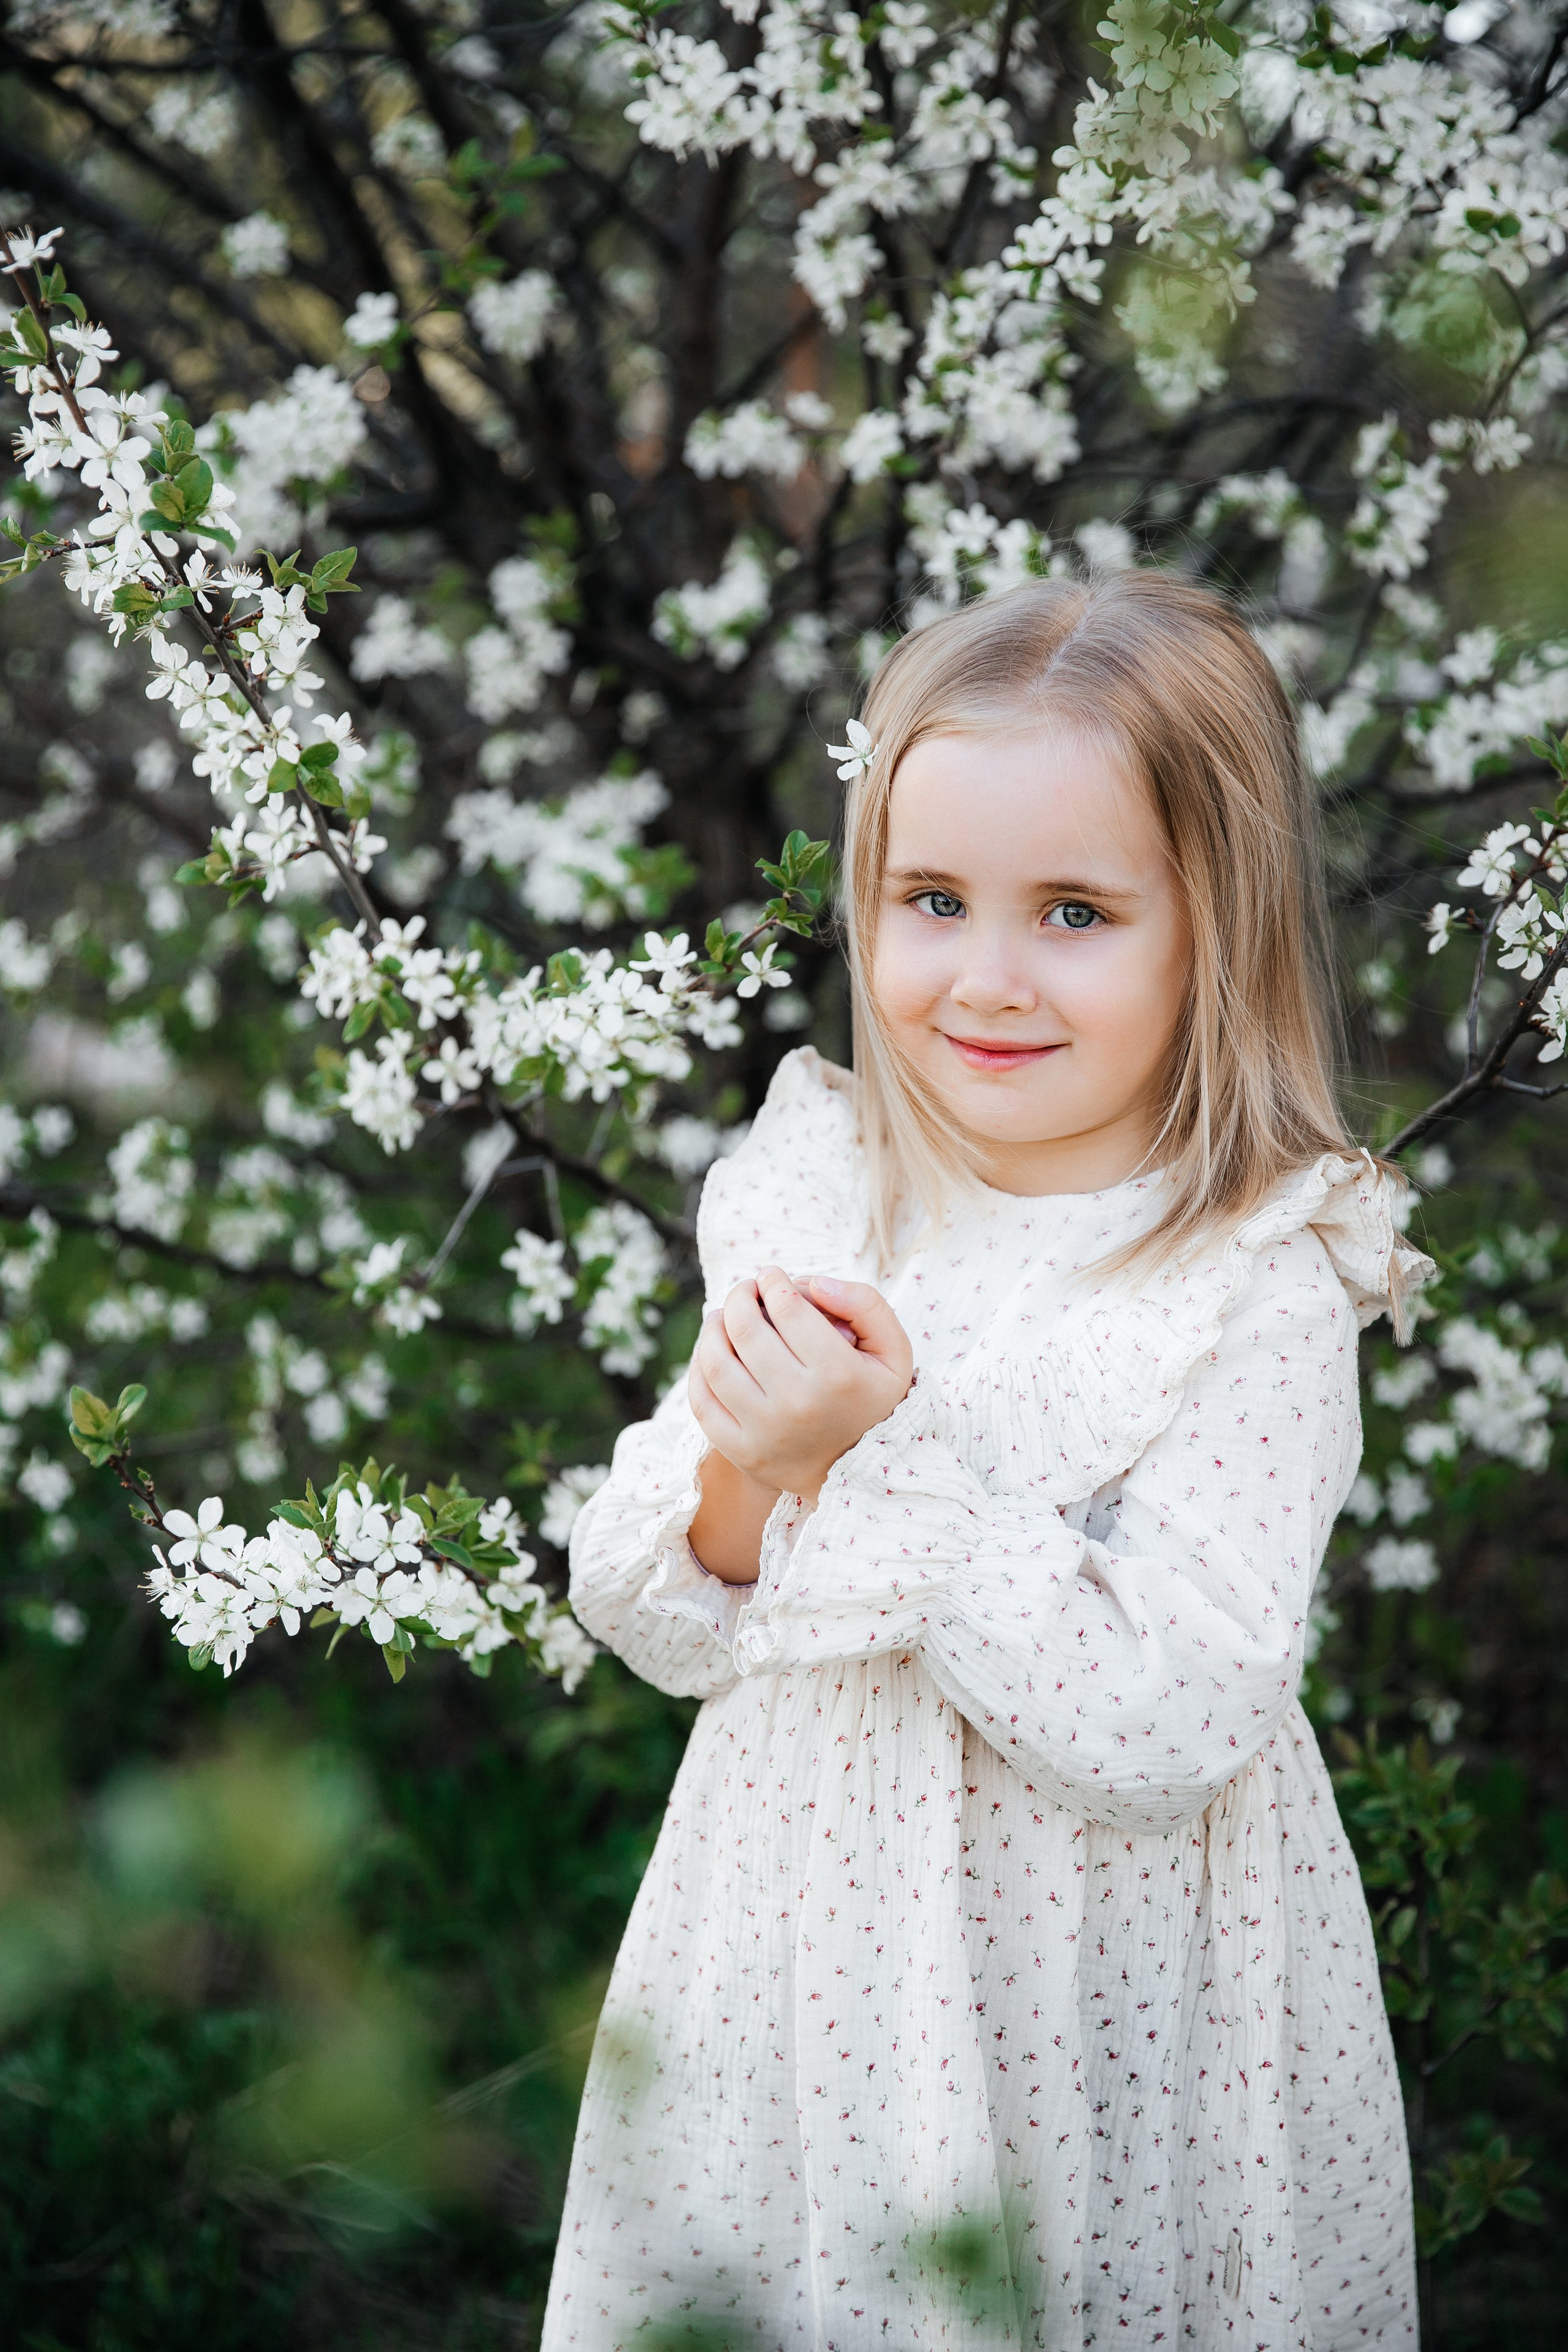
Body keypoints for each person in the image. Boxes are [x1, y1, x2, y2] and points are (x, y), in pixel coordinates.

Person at [543, 573, 1431, 2351]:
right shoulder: (823, 1184)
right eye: (933, 899)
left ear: (1217, 930)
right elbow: (673, 1618)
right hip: (799, 1944)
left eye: (1079, 912)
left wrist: (880, 1468)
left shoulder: (1256, 1276)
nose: (989, 977)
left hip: (1100, 1972)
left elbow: (1171, 1718)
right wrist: (756, 1468)